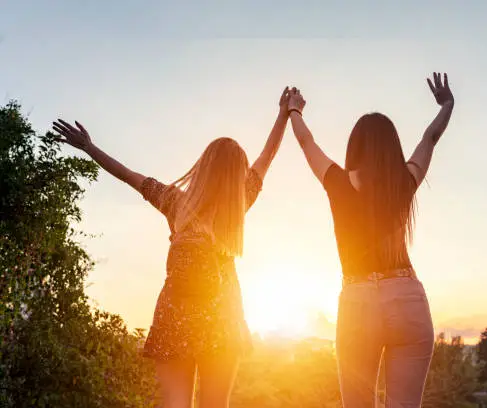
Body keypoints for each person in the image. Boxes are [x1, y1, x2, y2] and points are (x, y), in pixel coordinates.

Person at [52, 87, 291, 408]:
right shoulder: (239, 203)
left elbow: (126, 174)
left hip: (174, 314)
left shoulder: (175, 202)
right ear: (237, 174)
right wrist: (284, 114)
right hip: (223, 318)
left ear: (203, 166)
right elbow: (267, 157)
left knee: (174, 404)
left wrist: (89, 147)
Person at [286, 73, 454, 408]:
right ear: (393, 146)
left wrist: (295, 111)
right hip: (406, 298)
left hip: (358, 300)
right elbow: (430, 138)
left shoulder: (337, 181)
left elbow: (307, 144)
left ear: (355, 146)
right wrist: (448, 104)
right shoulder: (404, 180)